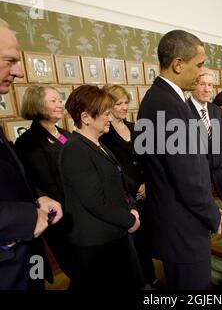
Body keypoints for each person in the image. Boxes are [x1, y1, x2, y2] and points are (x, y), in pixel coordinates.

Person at [137, 30, 222, 290]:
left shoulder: (156, 99)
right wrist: (213, 214)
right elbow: (187, 177)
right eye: (199, 65)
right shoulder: (170, 106)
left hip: (172, 223)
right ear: (177, 64)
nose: (201, 73)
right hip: (183, 226)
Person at [59, 85, 144, 290]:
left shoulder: (97, 144)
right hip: (97, 244)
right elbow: (95, 202)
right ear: (86, 117)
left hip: (113, 235)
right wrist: (130, 219)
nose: (109, 118)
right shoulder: (75, 150)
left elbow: (118, 183)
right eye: (106, 114)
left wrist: (132, 206)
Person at [0, 18, 63, 290]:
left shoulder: (64, 134)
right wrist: (27, 216)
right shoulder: (30, 141)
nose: (20, 72)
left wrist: (37, 197)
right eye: (10, 61)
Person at [99, 84, 158, 289]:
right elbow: (112, 168)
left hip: (146, 191)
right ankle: (142, 284)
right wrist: (134, 188)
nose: (124, 107)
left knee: (147, 237)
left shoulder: (135, 128)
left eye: (126, 102)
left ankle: (152, 279)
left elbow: (149, 159)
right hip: (124, 195)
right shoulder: (103, 134)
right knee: (134, 243)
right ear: (108, 105)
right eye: (119, 103)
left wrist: (147, 183)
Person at [15, 85, 73, 279]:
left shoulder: (66, 134)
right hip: (61, 217)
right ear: (38, 105)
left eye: (60, 100)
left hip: (81, 212)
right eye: (53, 101)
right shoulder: (28, 142)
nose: (60, 104)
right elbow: (46, 184)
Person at [186, 68, 222, 206]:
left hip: (219, 180)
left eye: (210, 85)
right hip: (197, 183)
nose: (207, 89)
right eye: (202, 84)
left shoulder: (216, 110)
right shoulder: (183, 111)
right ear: (193, 85)